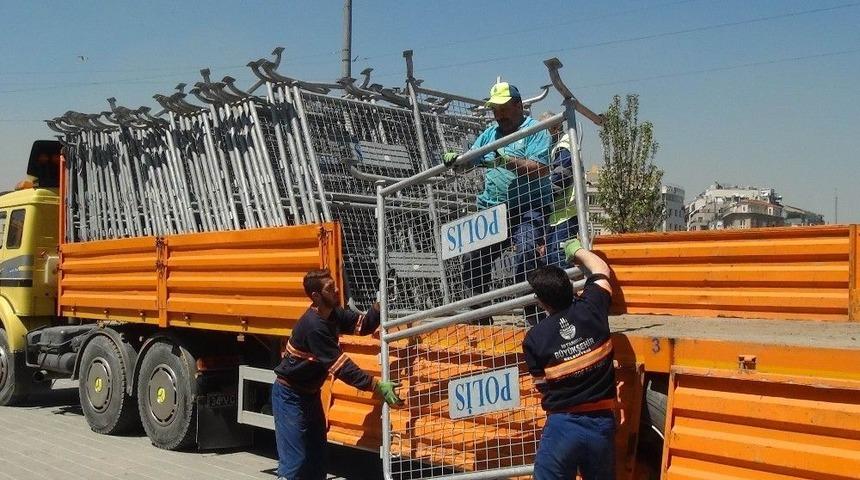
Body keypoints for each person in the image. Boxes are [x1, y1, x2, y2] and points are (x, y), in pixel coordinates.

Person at [272, 269, 403, 480]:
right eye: (329, 288)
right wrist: (376, 386)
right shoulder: (314, 326)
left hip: (309, 395)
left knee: (317, 458)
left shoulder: (333, 314)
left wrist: (379, 303)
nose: (336, 290)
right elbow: (341, 367)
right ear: (316, 296)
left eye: (334, 285)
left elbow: (363, 326)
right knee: (295, 462)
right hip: (290, 397)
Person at [443, 82, 552, 324]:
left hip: (528, 207)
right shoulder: (490, 135)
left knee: (526, 256)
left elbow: (541, 168)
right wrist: (458, 161)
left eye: (503, 108)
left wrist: (508, 162)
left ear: (519, 105)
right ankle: (480, 320)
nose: (499, 114)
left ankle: (535, 319)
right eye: (495, 109)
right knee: (473, 261)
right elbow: (471, 159)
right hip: (493, 210)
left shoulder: (535, 130)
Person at [523, 239, 616, 480]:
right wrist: (575, 250)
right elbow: (601, 269)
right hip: (602, 424)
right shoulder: (593, 306)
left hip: (563, 425)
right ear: (572, 289)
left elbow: (543, 387)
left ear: (542, 302)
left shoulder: (535, 338)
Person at [539, 111, 579, 268]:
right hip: (560, 216)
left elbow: (559, 180)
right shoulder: (559, 146)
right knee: (553, 260)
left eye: (543, 131)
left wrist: (540, 199)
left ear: (554, 127)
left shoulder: (564, 146)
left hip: (565, 216)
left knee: (559, 262)